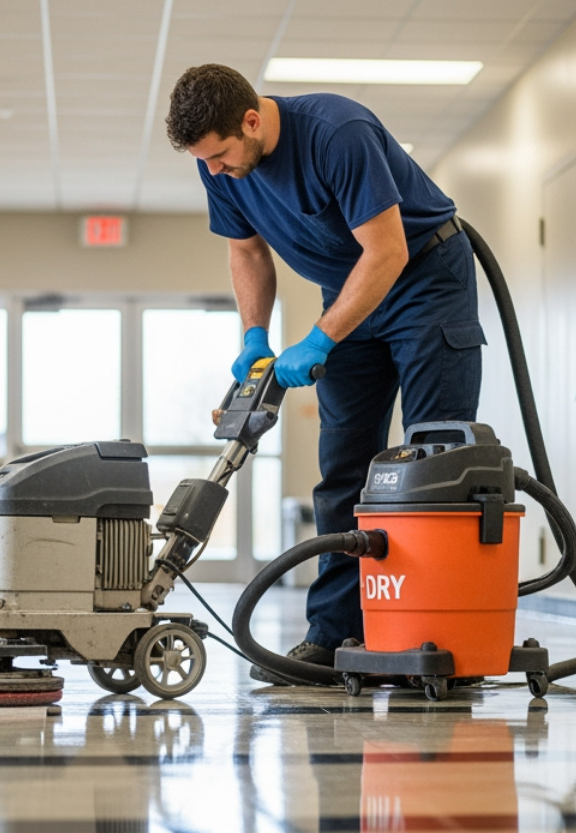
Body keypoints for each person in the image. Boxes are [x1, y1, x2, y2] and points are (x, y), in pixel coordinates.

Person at [165, 64, 482, 683]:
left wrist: (319, 338)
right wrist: (255, 335)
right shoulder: (220, 165)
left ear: (252, 120)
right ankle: (335, 632)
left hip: (424, 281)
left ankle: (439, 635)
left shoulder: (337, 132)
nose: (214, 172)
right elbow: (246, 249)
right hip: (349, 291)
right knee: (344, 466)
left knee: (433, 460)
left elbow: (387, 250)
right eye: (203, 162)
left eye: (222, 156)